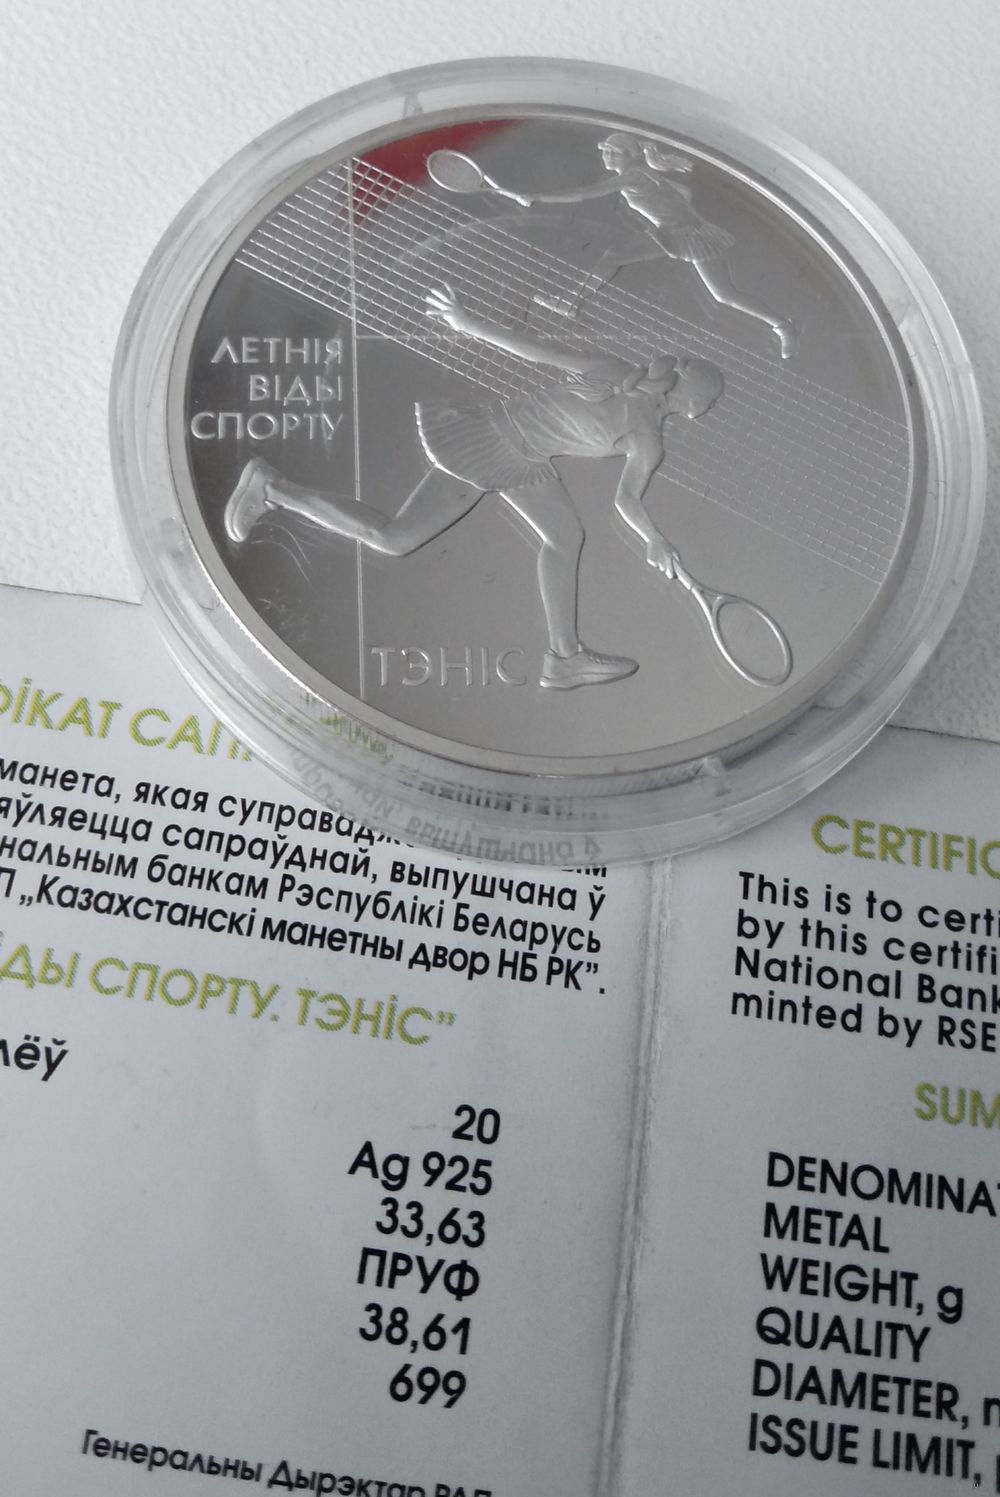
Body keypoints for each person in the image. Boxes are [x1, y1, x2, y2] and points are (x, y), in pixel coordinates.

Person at [225, 285, 724, 691]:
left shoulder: (638, 420)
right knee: (394, 538)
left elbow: (625, 498)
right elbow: (538, 351)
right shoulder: (630, 404)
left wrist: (654, 539)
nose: (702, 409)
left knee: (565, 536)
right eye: (706, 401)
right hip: (491, 442)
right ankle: (274, 490)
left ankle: (563, 659)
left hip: (524, 459)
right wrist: (467, 324)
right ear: (692, 400)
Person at [524, 132, 798, 358]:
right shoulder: (644, 173)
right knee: (614, 256)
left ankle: (783, 325)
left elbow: (584, 193)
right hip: (679, 231)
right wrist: (666, 216)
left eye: (615, 152)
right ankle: (571, 302)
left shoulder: (632, 176)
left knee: (723, 295)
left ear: (630, 155)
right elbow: (684, 192)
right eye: (606, 151)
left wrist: (536, 196)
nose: (608, 156)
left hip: (688, 234)